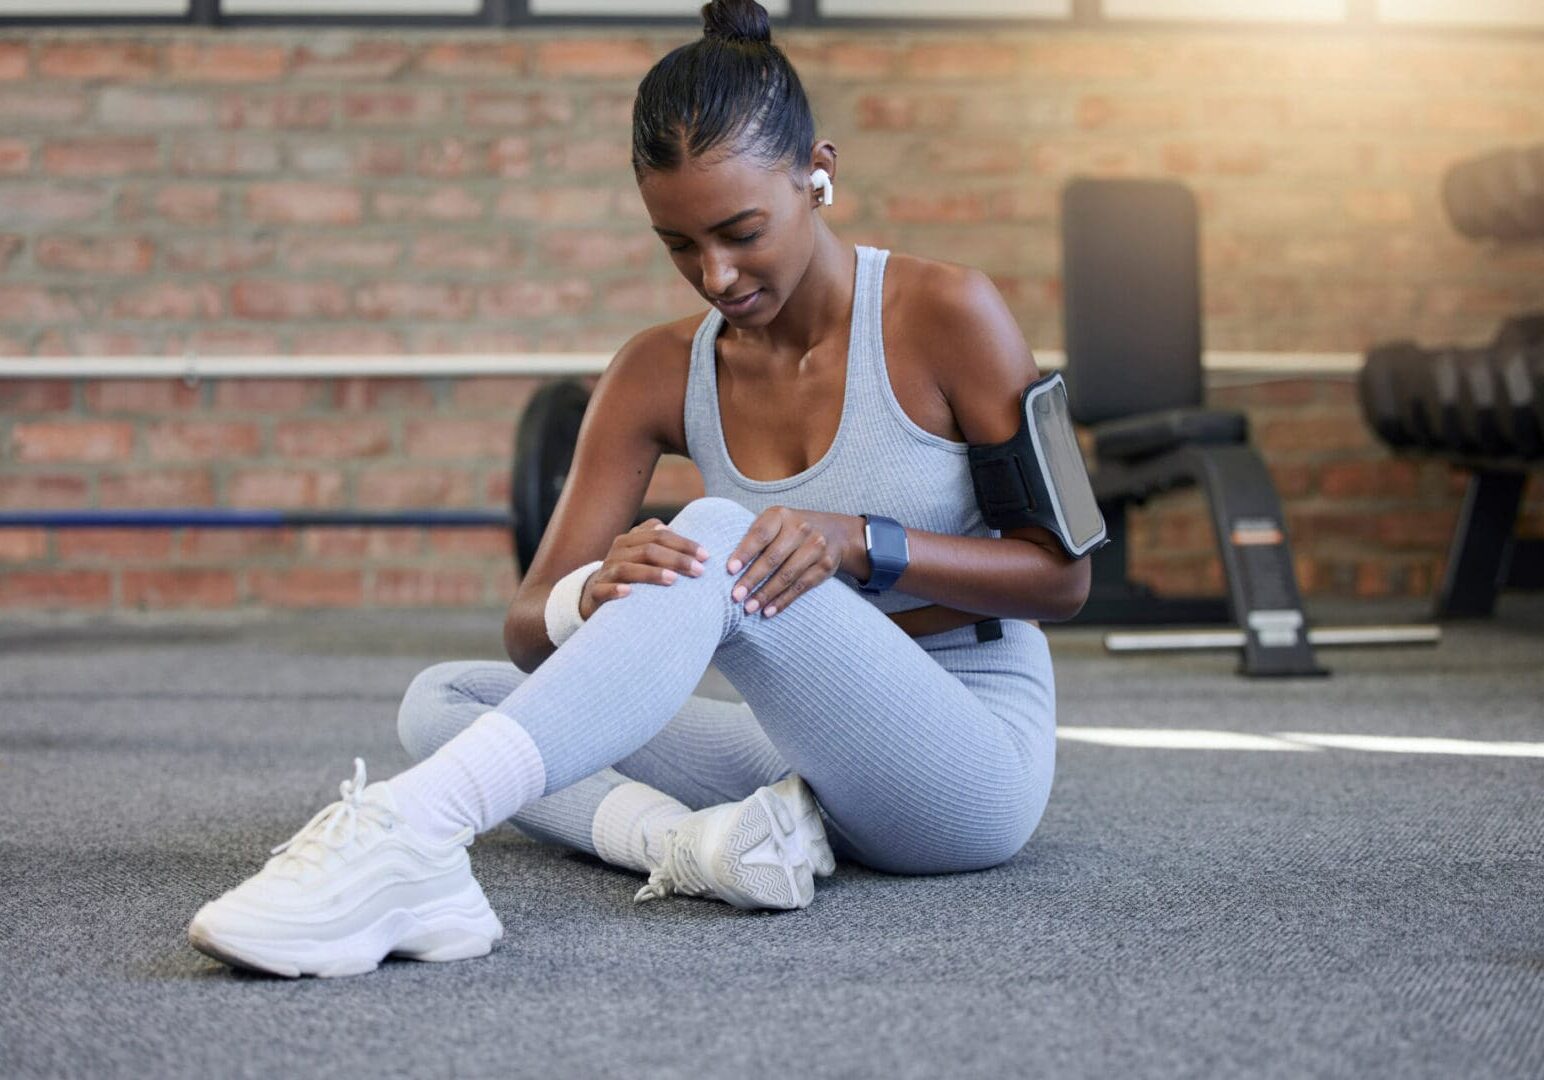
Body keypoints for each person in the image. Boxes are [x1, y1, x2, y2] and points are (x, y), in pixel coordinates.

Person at [186, 0, 1089, 979]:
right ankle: (696, 849)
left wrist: (860, 542)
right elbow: (529, 625)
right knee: (443, 697)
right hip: (797, 742)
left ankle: (409, 832)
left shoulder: (950, 311)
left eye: (742, 231)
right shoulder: (656, 369)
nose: (716, 275)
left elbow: (1063, 580)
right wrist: (594, 590)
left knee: (709, 528)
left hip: (966, 756)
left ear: (816, 172)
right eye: (679, 245)